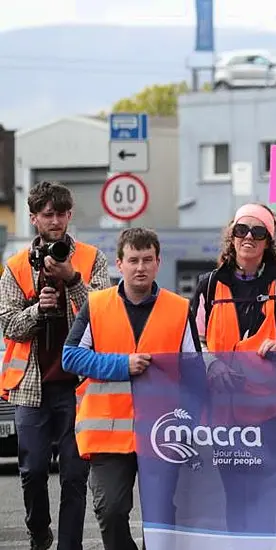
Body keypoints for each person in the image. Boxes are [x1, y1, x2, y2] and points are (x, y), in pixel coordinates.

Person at [61, 228, 201, 550]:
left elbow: (195, 371)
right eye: (133, 260)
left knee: (163, 518)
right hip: (109, 436)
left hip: (161, 432)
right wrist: (122, 365)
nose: (141, 267)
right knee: (109, 511)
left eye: (147, 260)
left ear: (158, 262)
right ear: (119, 263)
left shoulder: (179, 309)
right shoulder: (96, 306)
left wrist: (193, 423)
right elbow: (71, 357)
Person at [0, 180, 111, 550]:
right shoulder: (15, 267)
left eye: (62, 213)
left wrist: (72, 280)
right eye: (48, 214)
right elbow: (9, 324)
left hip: (78, 386)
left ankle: (70, 546)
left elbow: (105, 313)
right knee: (32, 472)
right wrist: (38, 309)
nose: (57, 221)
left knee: (75, 474)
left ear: (70, 214)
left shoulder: (91, 258)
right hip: (32, 386)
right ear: (34, 218)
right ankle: (38, 531)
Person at [191, 202, 276, 534]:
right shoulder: (209, 285)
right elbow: (194, 340)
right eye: (242, 230)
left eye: (258, 232)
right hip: (225, 412)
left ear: (269, 241)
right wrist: (211, 364)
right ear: (232, 236)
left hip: (271, 413)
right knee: (234, 497)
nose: (248, 238)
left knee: (264, 497)